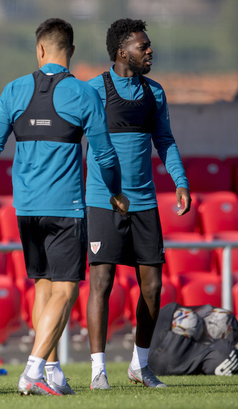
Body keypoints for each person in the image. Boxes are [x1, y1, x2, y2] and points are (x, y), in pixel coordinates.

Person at [0, 18, 129, 396]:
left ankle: (53, 370)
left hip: (25, 208)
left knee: (44, 285)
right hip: (66, 207)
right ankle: (32, 370)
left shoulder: (13, 90)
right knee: (66, 290)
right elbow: (105, 155)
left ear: (39, 50)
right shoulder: (82, 94)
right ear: (71, 52)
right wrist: (116, 191)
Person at [85, 18, 190, 390]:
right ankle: (98, 369)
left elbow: (165, 140)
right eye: (142, 46)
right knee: (102, 282)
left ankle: (139, 366)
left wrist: (180, 181)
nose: (149, 51)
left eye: (149, 45)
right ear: (121, 52)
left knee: (152, 288)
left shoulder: (155, 93)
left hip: (144, 203)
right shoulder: (93, 91)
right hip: (103, 201)